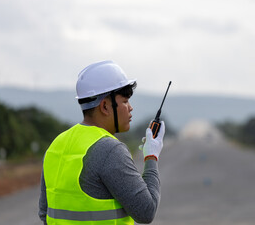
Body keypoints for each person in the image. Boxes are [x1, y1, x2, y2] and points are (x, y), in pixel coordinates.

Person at [38, 60, 165, 225]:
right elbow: (146, 211)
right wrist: (151, 157)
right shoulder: (110, 149)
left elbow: (44, 213)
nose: (130, 108)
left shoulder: (56, 145)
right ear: (105, 106)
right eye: (125, 101)